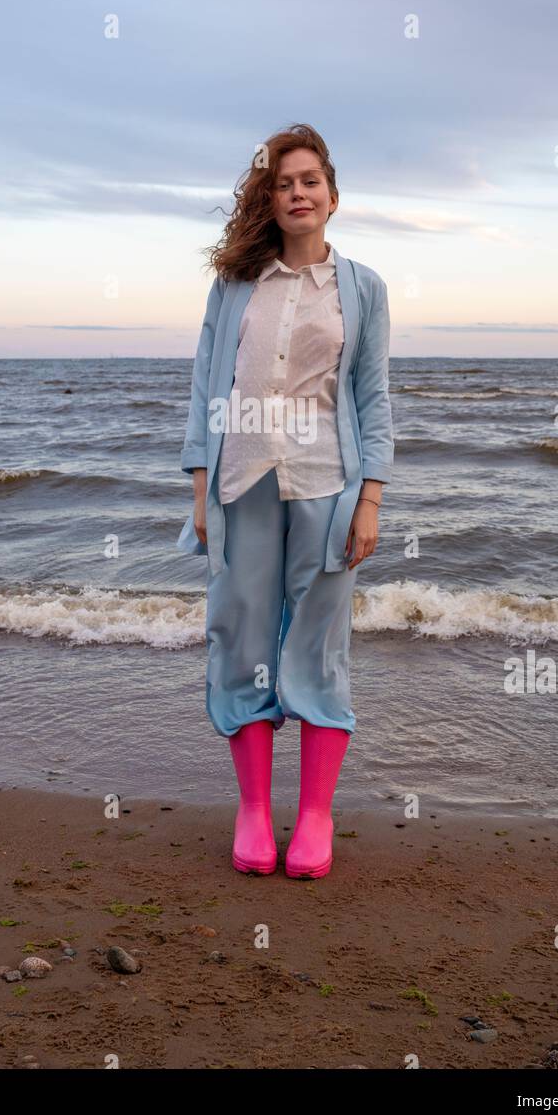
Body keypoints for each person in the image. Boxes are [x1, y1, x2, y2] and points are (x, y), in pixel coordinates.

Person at [176, 123, 394, 878]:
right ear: (268, 200)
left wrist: (369, 499)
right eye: (282, 183)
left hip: (326, 483)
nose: (297, 193)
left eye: (308, 181)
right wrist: (201, 487)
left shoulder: (361, 288)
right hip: (241, 483)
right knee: (238, 638)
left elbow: (371, 397)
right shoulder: (234, 286)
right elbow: (208, 389)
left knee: (317, 647)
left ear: (333, 195)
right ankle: (252, 811)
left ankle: (313, 818)